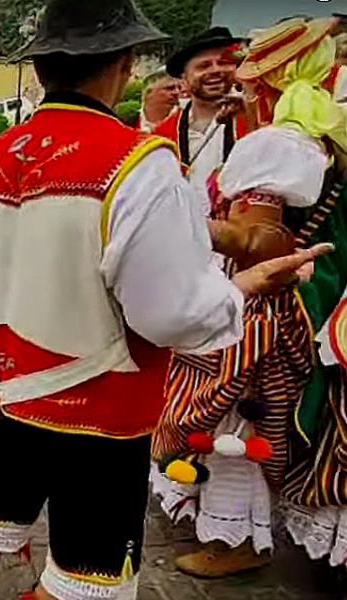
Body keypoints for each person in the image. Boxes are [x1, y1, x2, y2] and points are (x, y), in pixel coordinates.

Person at [0, 2, 331, 599]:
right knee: (84, 582)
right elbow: (170, 315)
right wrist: (243, 287)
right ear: (123, 65)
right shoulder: (137, 162)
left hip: (5, 392)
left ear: (41, 68)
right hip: (98, 409)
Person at [153, 16, 347, 578]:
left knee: (230, 415)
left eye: (247, 80)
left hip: (264, 300)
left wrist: (182, 222)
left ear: (266, 85)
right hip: (307, 294)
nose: (239, 88)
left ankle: (234, 538)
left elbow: (262, 241)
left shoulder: (277, 143)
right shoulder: (316, 136)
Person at [155, 27, 248, 194]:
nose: (215, 70)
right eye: (203, 66)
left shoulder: (260, 121)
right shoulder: (162, 136)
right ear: (184, 79)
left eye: (224, 63)